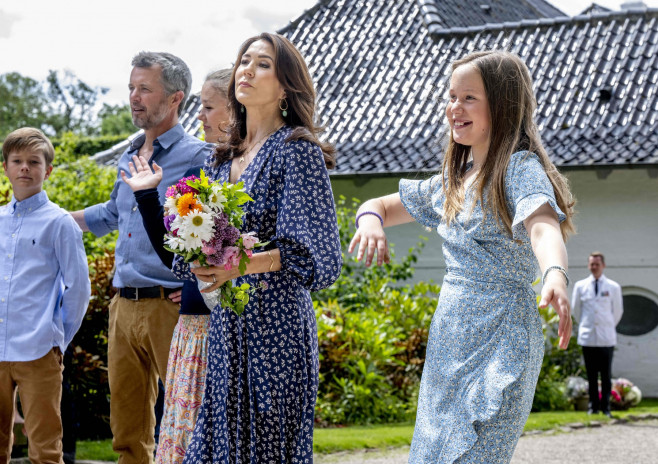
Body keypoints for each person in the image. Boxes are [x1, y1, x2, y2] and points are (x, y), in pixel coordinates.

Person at [349, 50, 576, 463]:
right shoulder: (451, 183)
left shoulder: (520, 169)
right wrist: (369, 221)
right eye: (451, 97)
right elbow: (377, 205)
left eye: (468, 98)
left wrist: (555, 274)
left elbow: (543, 225)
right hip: (450, 337)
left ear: (503, 104)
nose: (455, 108)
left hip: (502, 335)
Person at [158, 32, 342, 463]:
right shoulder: (220, 159)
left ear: (285, 86)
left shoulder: (297, 150)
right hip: (226, 327)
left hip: (276, 328)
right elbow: (195, 243)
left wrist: (239, 266)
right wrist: (198, 255)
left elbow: (318, 255)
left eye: (262, 64)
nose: (247, 70)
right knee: (215, 448)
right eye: (244, 61)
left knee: (268, 451)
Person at [70, 52, 212, 463]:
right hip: (122, 304)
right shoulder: (129, 154)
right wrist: (54, 219)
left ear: (174, 98)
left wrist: (191, 287)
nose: (133, 97)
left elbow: (209, 234)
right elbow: (113, 214)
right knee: (127, 429)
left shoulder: (199, 157)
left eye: (144, 89)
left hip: (169, 308)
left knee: (187, 419)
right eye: (131, 87)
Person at [121, 68, 232, 463]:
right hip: (193, 323)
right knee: (182, 441)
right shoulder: (205, 173)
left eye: (206, 106)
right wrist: (148, 197)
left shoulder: (231, 168)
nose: (198, 116)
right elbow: (179, 256)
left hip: (226, 327)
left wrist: (195, 280)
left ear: (234, 112)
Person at [0, 127, 90, 463]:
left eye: (33, 162)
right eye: (17, 161)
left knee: (45, 445)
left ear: (47, 170)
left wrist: (57, 340)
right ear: (6, 168)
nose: (25, 167)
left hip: (38, 350)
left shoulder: (59, 223)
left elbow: (79, 289)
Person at [571, 252, 623, 418]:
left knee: (606, 375)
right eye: (591, 264)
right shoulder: (581, 286)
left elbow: (618, 312)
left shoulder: (613, 287)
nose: (594, 267)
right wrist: (587, 325)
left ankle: (606, 407)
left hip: (606, 337)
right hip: (588, 337)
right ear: (588, 266)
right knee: (591, 375)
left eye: (597, 264)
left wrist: (606, 325)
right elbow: (576, 310)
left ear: (603, 266)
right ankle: (593, 407)